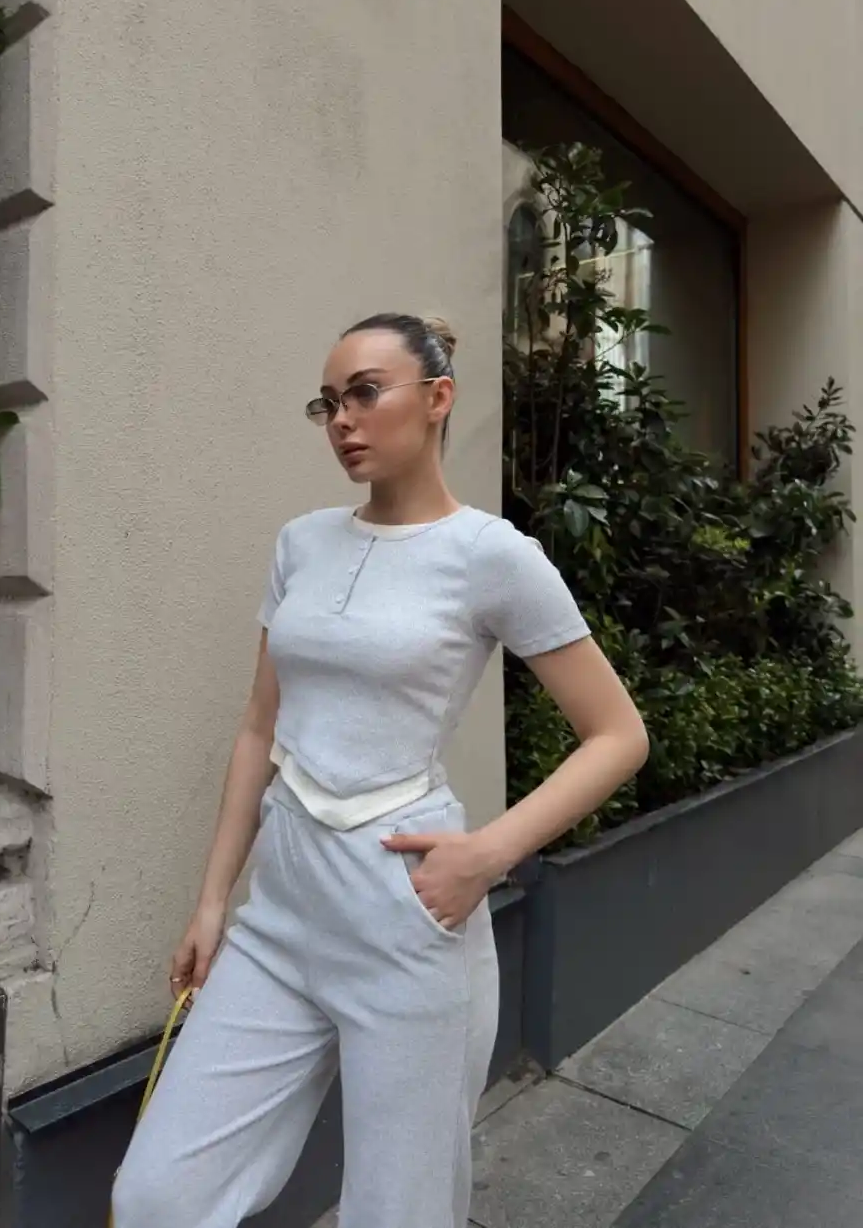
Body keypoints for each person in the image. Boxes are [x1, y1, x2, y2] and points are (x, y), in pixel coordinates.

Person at [112, 312, 648, 1228]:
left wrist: (489, 853)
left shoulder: (491, 555)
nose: (342, 420)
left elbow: (618, 733)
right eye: (329, 402)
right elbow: (258, 727)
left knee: (399, 1212)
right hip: (280, 910)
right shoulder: (301, 543)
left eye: (365, 392)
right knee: (157, 1196)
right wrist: (212, 902)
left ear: (438, 398)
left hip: (404, 909)